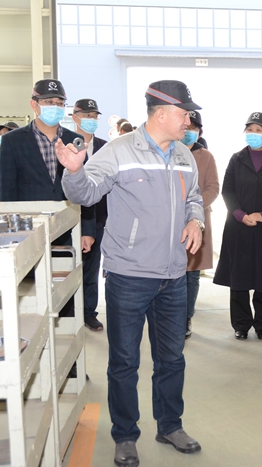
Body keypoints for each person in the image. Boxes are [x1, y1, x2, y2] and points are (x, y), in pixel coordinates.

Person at [57, 80, 205, 465]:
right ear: (162, 113)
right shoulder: (119, 151)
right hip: (130, 276)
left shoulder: (184, 155)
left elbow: (194, 198)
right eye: (184, 113)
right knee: (124, 362)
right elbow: (85, 193)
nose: (188, 120)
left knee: (172, 359)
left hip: (173, 275)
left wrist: (196, 221)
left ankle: (170, 425)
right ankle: (124, 435)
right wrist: (74, 172)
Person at [0, 79, 96, 319]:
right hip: (29, 229)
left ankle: (69, 331)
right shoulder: (13, 141)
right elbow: (7, 190)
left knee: (67, 286)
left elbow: (86, 188)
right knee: (34, 287)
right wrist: (11, 231)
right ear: (34, 105)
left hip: (68, 227)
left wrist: (88, 229)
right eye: (49, 102)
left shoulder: (75, 140)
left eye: (60, 103)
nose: (55, 107)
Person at [213, 112, 262, 340]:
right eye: (249, 130)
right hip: (239, 226)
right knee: (239, 278)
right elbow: (227, 190)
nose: (253, 134)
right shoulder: (237, 159)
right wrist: (239, 214)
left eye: (258, 130)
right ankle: (241, 324)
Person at [71, 98, 108, 332]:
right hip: (71, 216)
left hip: (99, 218)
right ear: (75, 117)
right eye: (87, 116)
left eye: (94, 116)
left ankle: (88, 312)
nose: (91, 120)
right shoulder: (66, 144)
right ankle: (69, 313)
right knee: (69, 268)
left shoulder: (106, 147)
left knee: (92, 269)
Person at [183, 110, 219, 339]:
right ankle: (170, 317)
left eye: (194, 129)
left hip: (197, 221)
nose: (189, 132)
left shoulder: (206, 156)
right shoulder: (167, 151)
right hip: (170, 221)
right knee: (172, 273)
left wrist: (193, 207)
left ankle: (186, 317)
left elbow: (213, 188)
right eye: (186, 127)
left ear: (199, 132)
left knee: (192, 274)